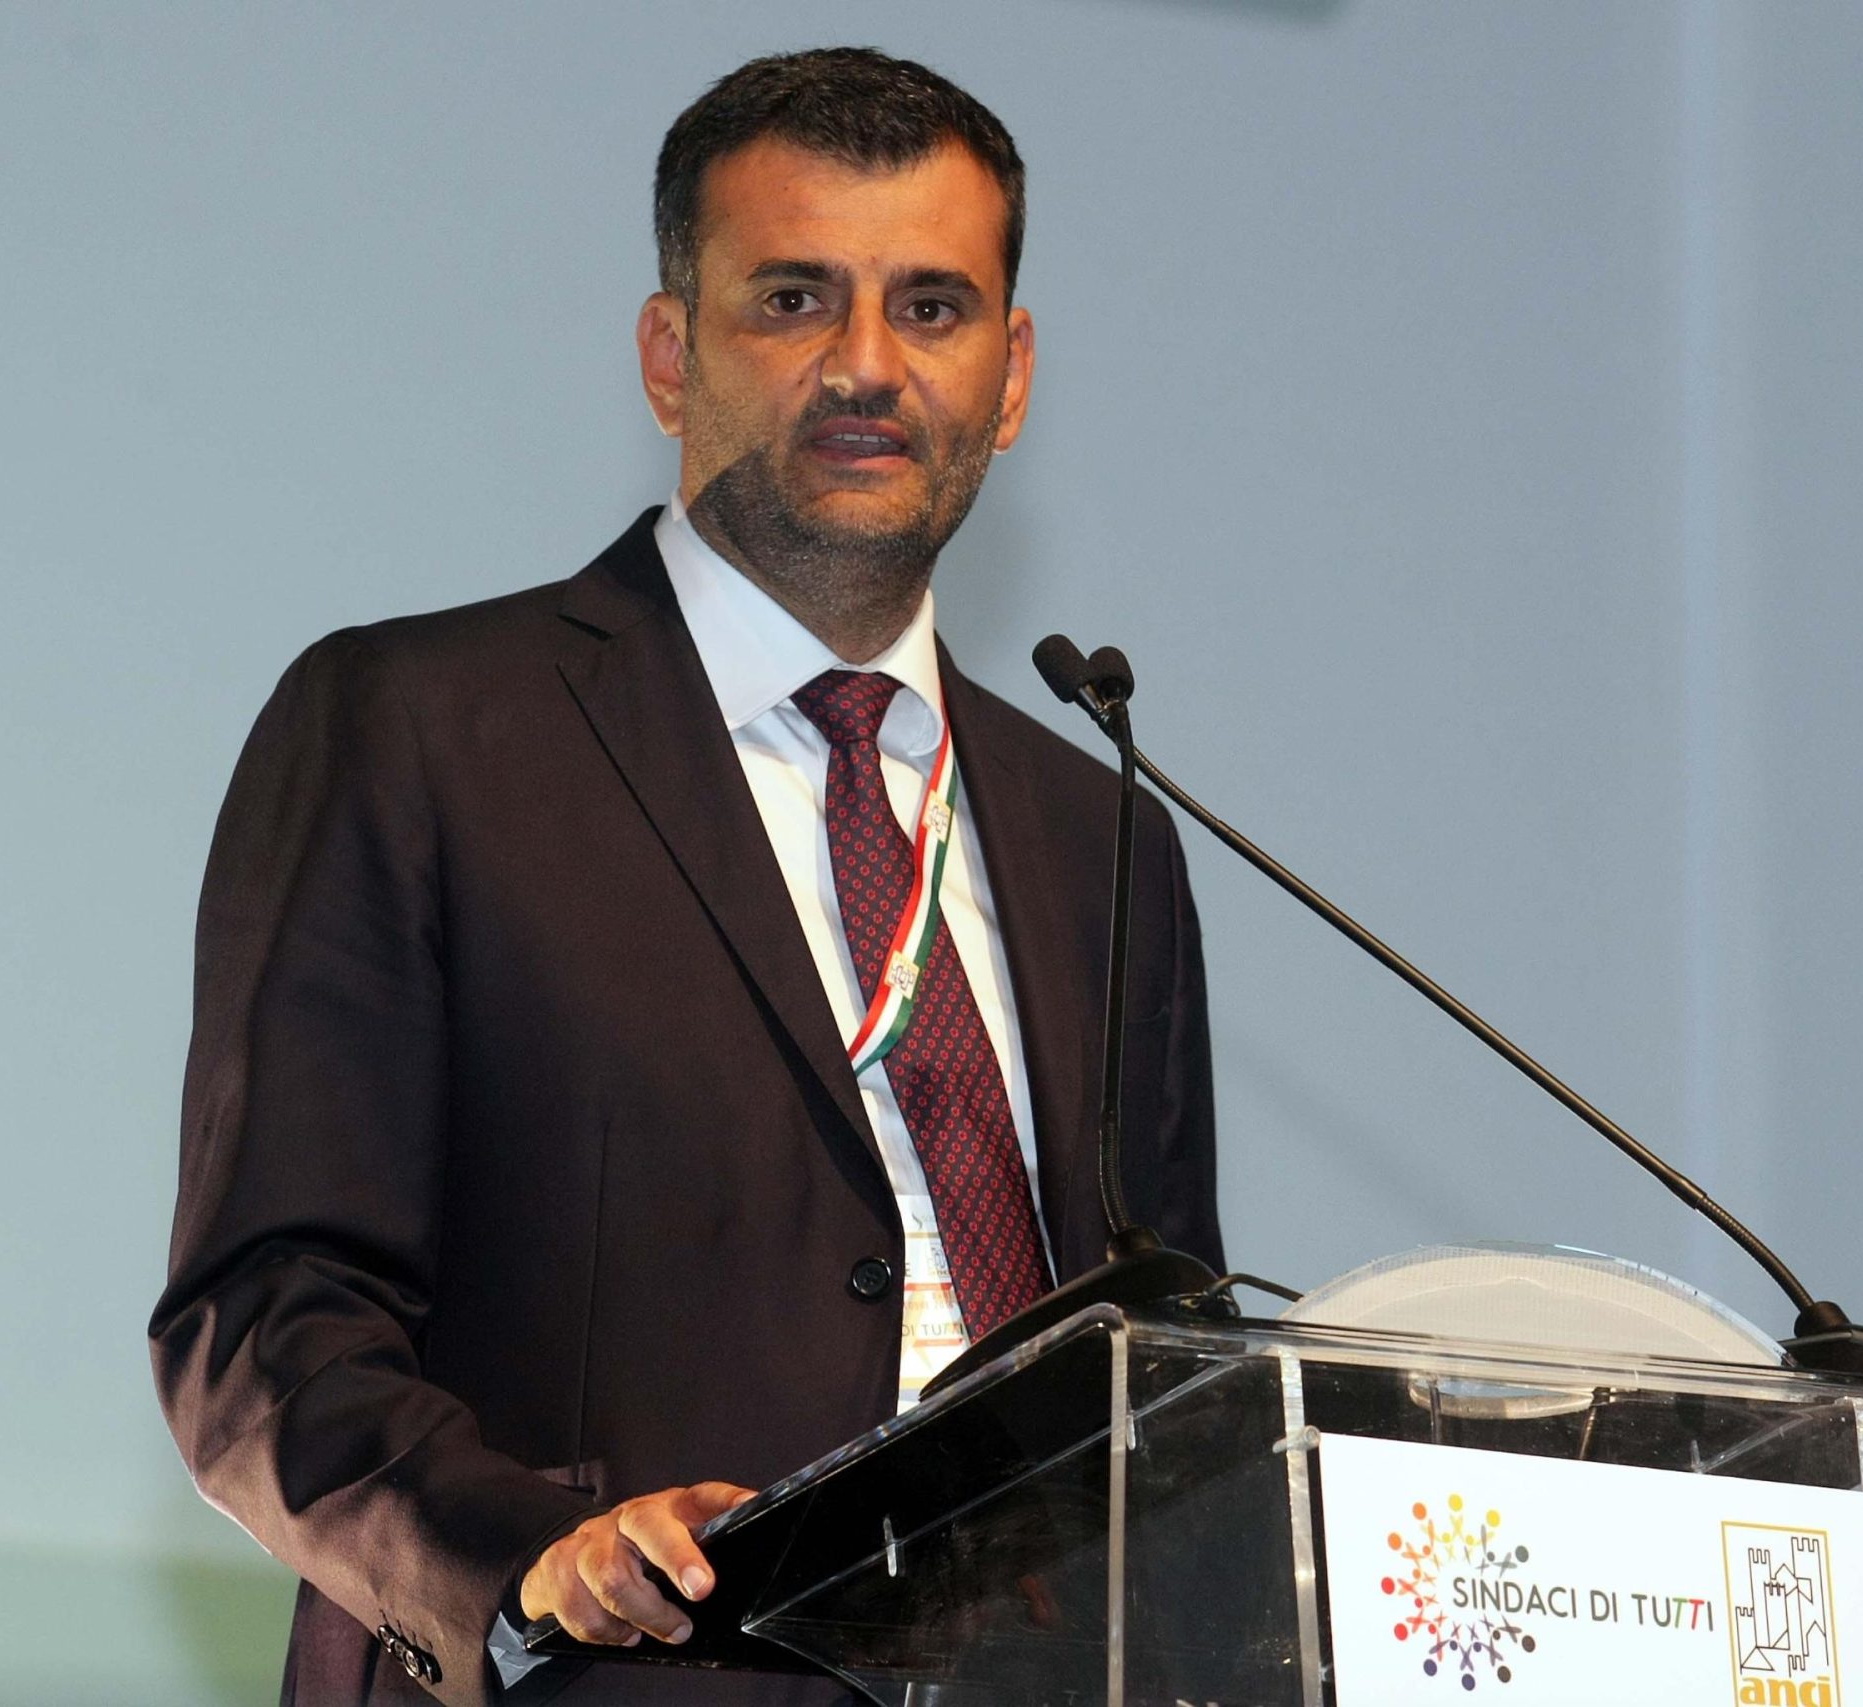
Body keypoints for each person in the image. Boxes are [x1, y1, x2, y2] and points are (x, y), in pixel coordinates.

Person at [150, 47, 1222, 1706]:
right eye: (794, 299)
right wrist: (528, 1558)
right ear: (670, 357)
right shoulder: (419, 731)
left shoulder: (1106, 834)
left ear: (1011, 378)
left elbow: (1176, 1362)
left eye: (932, 308)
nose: (867, 365)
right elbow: (261, 1323)